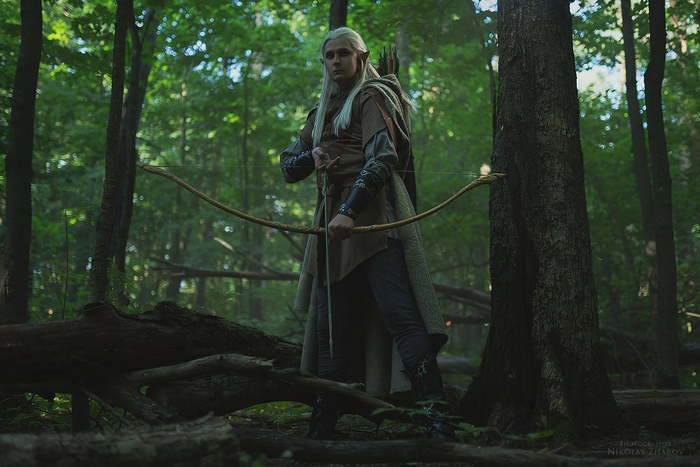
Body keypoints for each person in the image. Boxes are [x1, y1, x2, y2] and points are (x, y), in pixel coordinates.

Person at [279, 27, 455, 441]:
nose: (335, 61)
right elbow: (288, 167)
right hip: (332, 228)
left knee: (401, 318)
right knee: (331, 330)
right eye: (329, 55)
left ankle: (439, 420)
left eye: (343, 53)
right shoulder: (320, 111)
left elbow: (382, 159)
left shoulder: (371, 96)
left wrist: (348, 212)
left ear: (361, 57)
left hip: (373, 218)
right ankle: (322, 426)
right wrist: (311, 155)